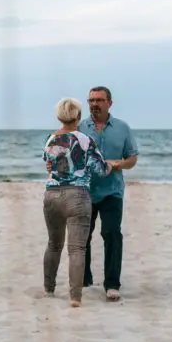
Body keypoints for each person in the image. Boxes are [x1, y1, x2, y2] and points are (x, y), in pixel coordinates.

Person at [42, 98, 116, 307]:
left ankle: (49, 290)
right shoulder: (85, 140)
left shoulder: (49, 139)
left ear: (58, 117)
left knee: (53, 245)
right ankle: (75, 297)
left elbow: (48, 163)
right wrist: (111, 165)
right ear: (79, 117)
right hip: (77, 196)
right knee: (77, 249)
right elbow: (100, 169)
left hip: (51, 195)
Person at [80, 86, 138, 302]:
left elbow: (132, 159)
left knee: (112, 235)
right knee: (82, 236)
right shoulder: (80, 127)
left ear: (109, 103)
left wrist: (119, 164)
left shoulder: (122, 128)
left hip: (112, 191)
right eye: (91, 100)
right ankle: (84, 279)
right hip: (84, 190)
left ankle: (112, 284)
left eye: (99, 100)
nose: (94, 104)